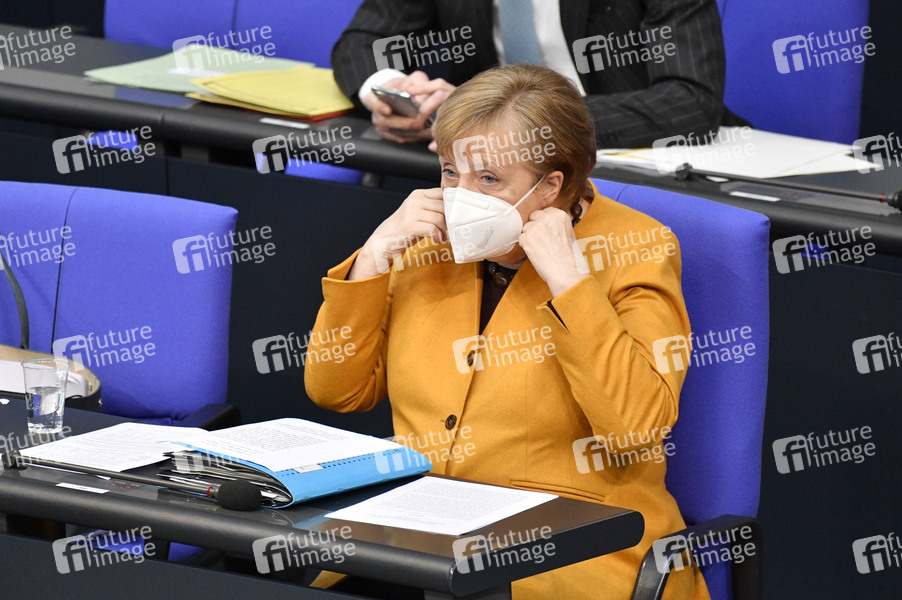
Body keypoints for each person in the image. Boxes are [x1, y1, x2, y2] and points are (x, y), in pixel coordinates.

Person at [305, 64, 708, 600]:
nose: (460, 196)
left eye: (489, 180)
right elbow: (336, 391)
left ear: (551, 186)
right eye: (451, 172)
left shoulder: (634, 249)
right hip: (420, 534)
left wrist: (570, 283)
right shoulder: (428, 238)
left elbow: (634, 429)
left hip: (572, 548)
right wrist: (372, 261)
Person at [332, 0, 744, 148]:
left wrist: (518, 124)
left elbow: (691, 100)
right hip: (494, 171)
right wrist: (394, 93)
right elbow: (361, 43)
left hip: (629, 152)